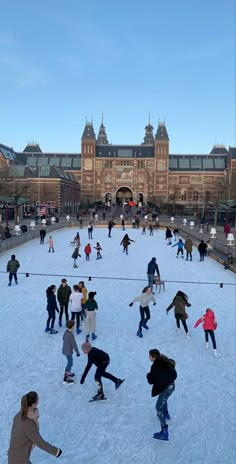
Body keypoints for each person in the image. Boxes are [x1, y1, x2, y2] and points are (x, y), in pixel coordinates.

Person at [8, 391, 62, 464]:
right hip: (19, 459)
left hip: (14, 455)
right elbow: (40, 442)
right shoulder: (28, 424)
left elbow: (13, 435)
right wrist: (56, 451)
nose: (38, 401)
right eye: (37, 400)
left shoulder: (19, 415)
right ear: (34, 404)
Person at [146, 349, 177, 441]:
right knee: (163, 399)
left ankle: (164, 432)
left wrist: (148, 375)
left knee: (158, 407)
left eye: (149, 356)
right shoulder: (163, 359)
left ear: (153, 357)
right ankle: (166, 413)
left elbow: (151, 381)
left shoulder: (155, 367)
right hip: (170, 384)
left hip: (166, 387)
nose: (149, 357)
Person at [62, 320, 80, 384]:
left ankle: (67, 373)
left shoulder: (66, 332)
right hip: (68, 351)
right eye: (74, 326)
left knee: (69, 362)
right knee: (70, 363)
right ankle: (66, 376)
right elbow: (74, 344)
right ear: (72, 327)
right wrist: (77, 352)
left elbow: (63, 338)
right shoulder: (70, 335)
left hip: (65, 350)